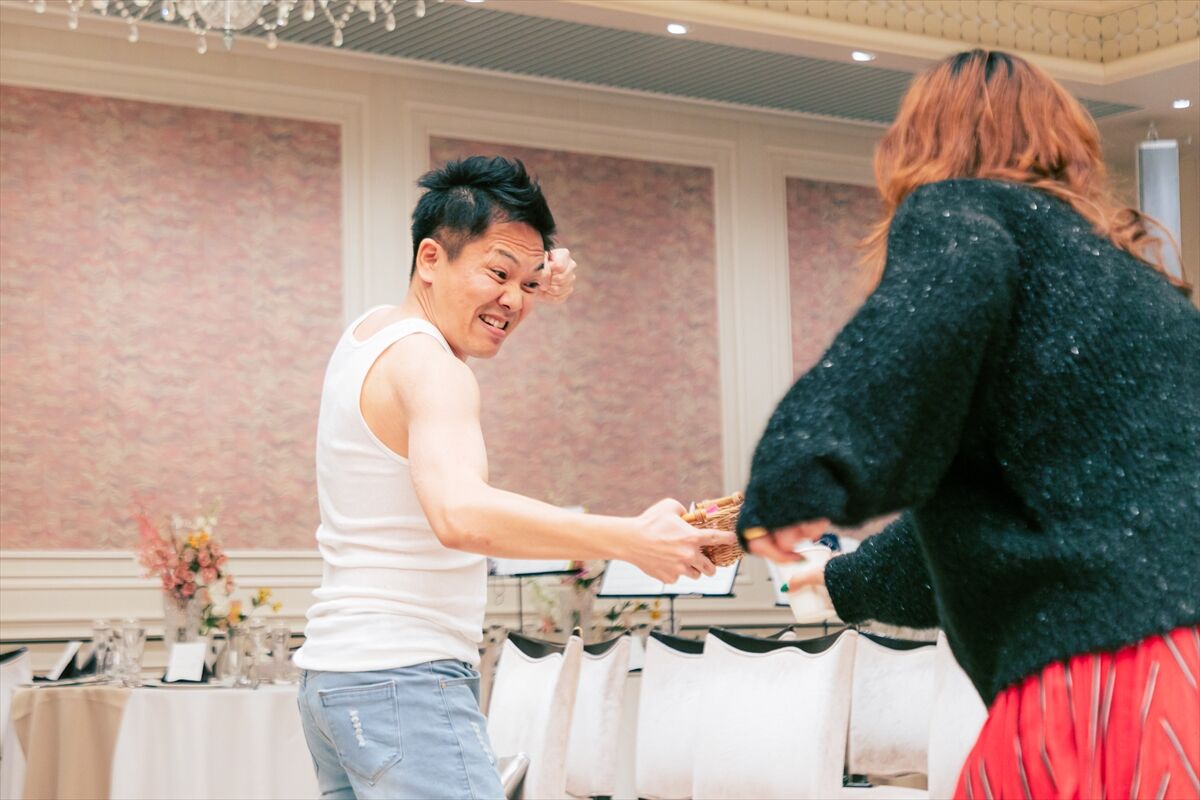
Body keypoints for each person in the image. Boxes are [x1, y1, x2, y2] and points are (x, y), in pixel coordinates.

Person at [738, 50, 1199, 800]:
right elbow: (1007, 510)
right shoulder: (1146, 290)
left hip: (1109, 682)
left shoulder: (964, 211)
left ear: (920, 144)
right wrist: (841, 579)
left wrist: (799, 476)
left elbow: (908, 343)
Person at [293, 155, 732, 799]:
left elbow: (454, 339)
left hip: (335, 681)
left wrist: (514, 277)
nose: (515, 301)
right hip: (403, 678)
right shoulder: (433, 367)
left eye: (529, 284)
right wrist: (632, 538)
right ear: (430, 258)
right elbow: (461, 515)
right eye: (498, 274)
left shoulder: (371, 334)